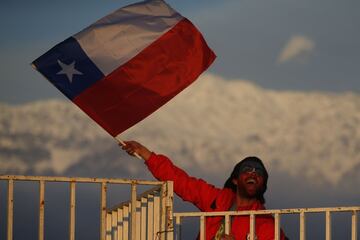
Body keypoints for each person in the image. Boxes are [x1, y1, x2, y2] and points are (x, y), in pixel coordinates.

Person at [121, 141, 288, 240]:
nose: (253, 173)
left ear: (263, 183)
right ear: (235, 180)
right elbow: (182, 182)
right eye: (247, 169)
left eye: (259, 172)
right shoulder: (217, 199)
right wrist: (145, 153)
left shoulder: (266, 224)